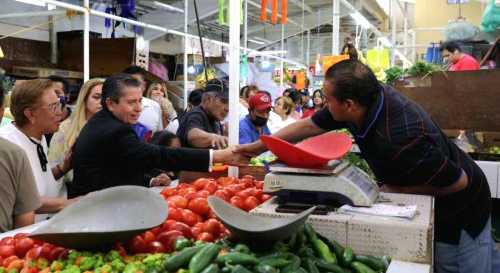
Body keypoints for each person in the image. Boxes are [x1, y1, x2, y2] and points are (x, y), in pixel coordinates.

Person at [236, 59, 495, 273]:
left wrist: (393, 189)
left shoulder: (401, 135)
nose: (323, 104)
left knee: (455, 266)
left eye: (327, 99)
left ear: (349, 105)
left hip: (460, 211)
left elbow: (458, 181)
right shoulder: (364, 97)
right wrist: (260, 146)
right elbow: (311, 124)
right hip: (432, 194)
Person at [70, 74, 247, 198]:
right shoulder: (113, 130)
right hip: (96, 211)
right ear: (110, 103)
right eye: (131, 102)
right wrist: (218, 156)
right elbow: (158, 154)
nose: (138, 108)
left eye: (139, 100)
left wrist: (150, 180)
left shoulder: (108, 123)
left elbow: (118, 168)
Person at [0, 79, 80, 222]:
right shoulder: (8, 145)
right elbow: (22, 200)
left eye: (59, 104)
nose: (60, 113)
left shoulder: (39, 137)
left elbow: (37, 180)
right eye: (53, 107)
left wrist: (63, 167)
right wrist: (69, 203)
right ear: (30, 114)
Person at [48, 78, 104, 194]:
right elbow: (52, 170)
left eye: (106, 97)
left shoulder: (114, 127)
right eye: (96, 97)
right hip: (70, 194)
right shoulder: (65, 128)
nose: (102, 102)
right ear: (84, 98)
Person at [0, 83, 41, 232]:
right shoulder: (13, 153)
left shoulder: (38, 142)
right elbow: (25, 222)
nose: (59, 112)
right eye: (53, 106)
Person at [177, 78, 229, 149]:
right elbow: (193, 136)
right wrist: (214, 137)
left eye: (229, 103)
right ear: (208, 98)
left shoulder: (215, 119)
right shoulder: (196, 114)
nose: (227, 108)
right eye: (223, 101)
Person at [122, 66, 163, 132]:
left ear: (144, 86)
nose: (132, 87)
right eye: (128, 83)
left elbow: (159, 137)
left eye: (136, 83)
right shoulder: (117, 107)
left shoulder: (155, 106)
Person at [45, 75, 72, 146]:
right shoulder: (40, 121)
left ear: (67, 97)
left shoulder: (75, 121)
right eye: (48, 93)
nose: (52, 97)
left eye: (57, 93)